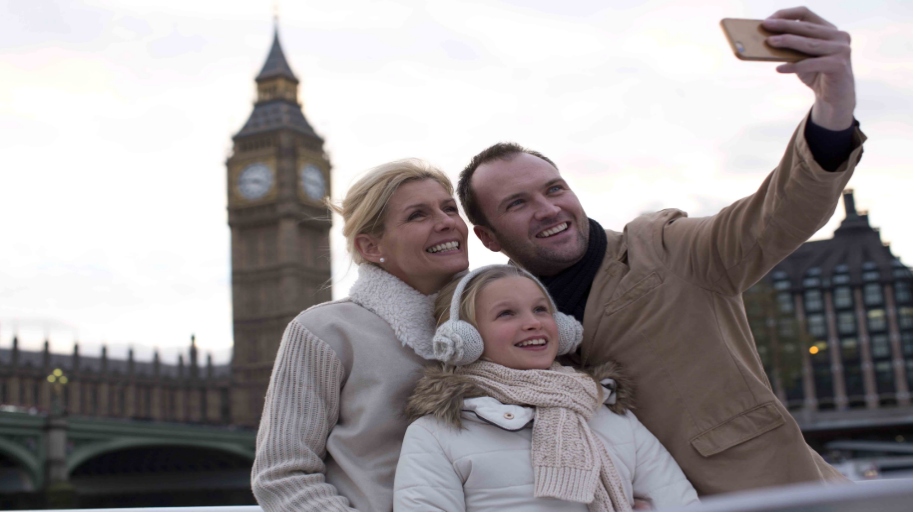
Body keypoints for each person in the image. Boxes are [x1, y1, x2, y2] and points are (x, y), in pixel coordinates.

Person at [455, 7, 864, 495]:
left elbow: (777, 214)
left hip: (769, 499)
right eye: (518, 203)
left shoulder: (666, 248)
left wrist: (832, 105)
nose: (548, 209)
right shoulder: (493, 321)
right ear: (489, 238)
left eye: (555, 188)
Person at [251, 159, 469, 511]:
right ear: (370, 247)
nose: (446, 222)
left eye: (449, 209)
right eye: (418, 215)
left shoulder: (506, 321)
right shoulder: (325, 332)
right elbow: (282, 475)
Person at [393, 265, 699, 511]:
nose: (534, 323)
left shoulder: (608, 414)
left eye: (540, 310)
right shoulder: (435, 433)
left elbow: (681, 505)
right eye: (507, 313)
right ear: (462, 338)